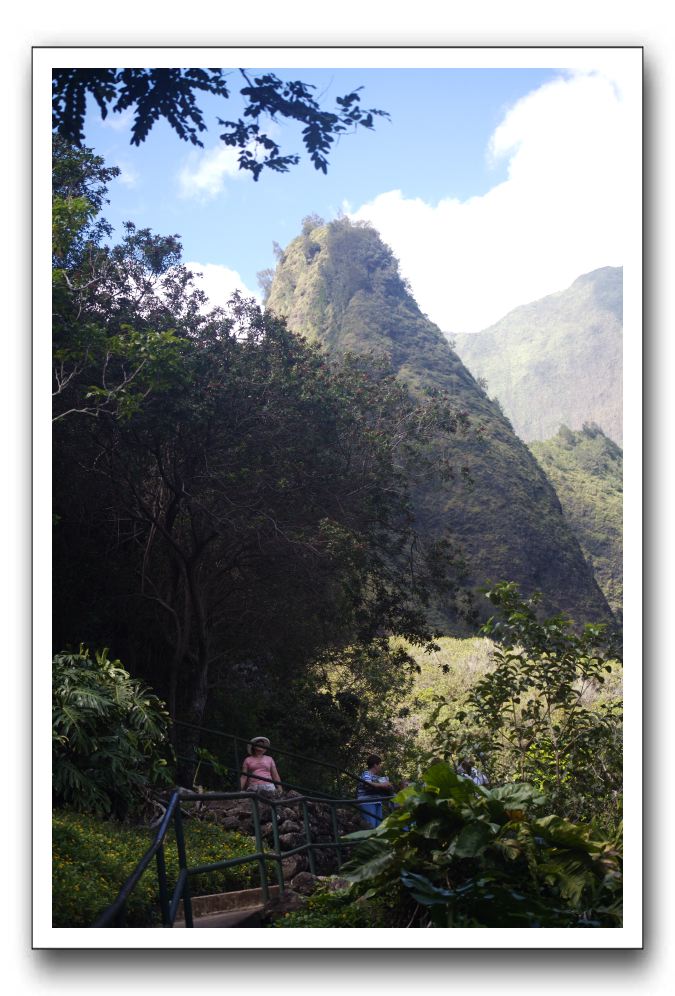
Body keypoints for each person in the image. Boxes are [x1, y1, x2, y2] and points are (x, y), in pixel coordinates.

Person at [356, 754, 395, 828]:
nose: (381, 766)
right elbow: (367, 784)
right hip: (367, 802)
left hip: (377, 802)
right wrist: (383, 785)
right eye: (380, 764)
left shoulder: (378, 777)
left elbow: (389, 787)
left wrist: (388, 786)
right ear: (375, 765)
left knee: (379, 827)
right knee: (371, 826)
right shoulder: (366, 774)